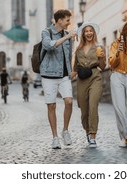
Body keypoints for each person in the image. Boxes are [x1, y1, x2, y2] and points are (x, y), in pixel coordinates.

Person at [40, 9, 77, 149]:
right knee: (51, 105)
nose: (69, 23)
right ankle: (55, 137)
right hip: (48, 75)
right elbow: (48, 46)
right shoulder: (46, 32)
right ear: (60, 20)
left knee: (69, 101)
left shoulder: (67, 35)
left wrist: (71, 70)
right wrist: (67, 38)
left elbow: (69, 55)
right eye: (67, 20)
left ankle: (65, 130)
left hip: (64, 75)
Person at [71, 22, 106, 148]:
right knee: (84, 109)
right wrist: (64, 78)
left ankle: (93, 136)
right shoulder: (78, 49)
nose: (89, 33)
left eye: (91, 31)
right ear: (83, 34)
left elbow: (103, 66)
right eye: (86, 31)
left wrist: (100, 57)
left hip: (95, 76)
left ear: (94, 33)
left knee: (93, 106)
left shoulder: (99, 47)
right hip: (81, 80)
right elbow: (75, 69)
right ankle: (87, 130)